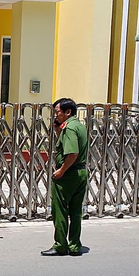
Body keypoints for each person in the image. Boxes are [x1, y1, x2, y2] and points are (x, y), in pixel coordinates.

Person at [42, 98, 89, 256]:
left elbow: (72, 153)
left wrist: (61, 171)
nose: (56, 115)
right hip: (81, 172)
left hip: (69, 174)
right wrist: (58, 132)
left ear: (68, 112)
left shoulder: (69, 128)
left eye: (57, 112)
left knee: (60, 210)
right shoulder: (79, 126)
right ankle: (75, 245)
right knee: (76, 211)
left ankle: (60, 244)